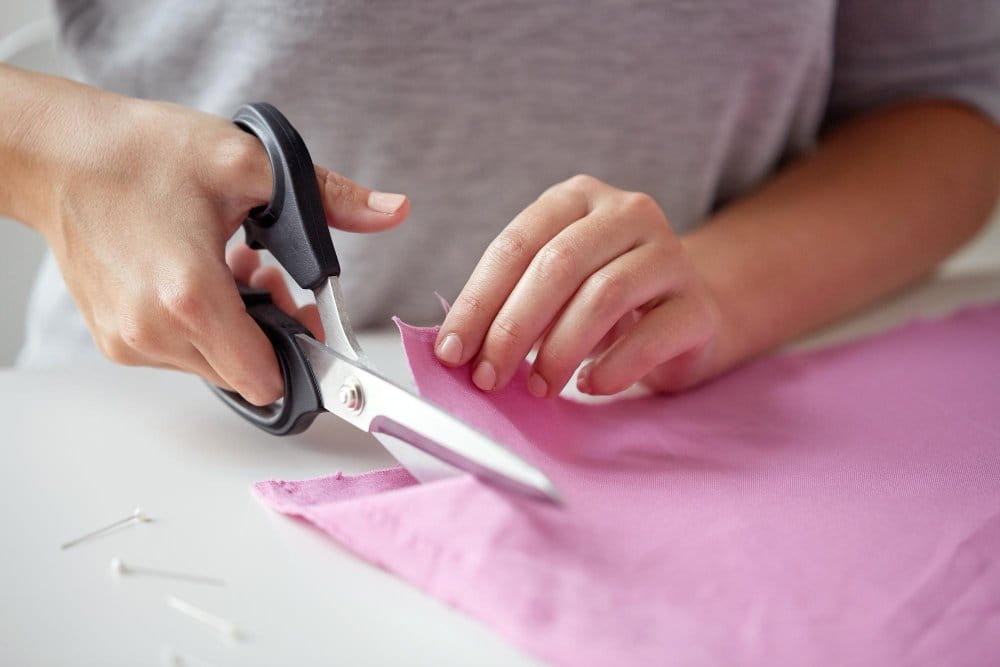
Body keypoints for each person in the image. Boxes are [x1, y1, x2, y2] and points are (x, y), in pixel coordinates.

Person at [2, 2, 998, 407]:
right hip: (140, 428)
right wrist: (52, 159)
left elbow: (954, 95)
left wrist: (725, 286)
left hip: (675, 421)